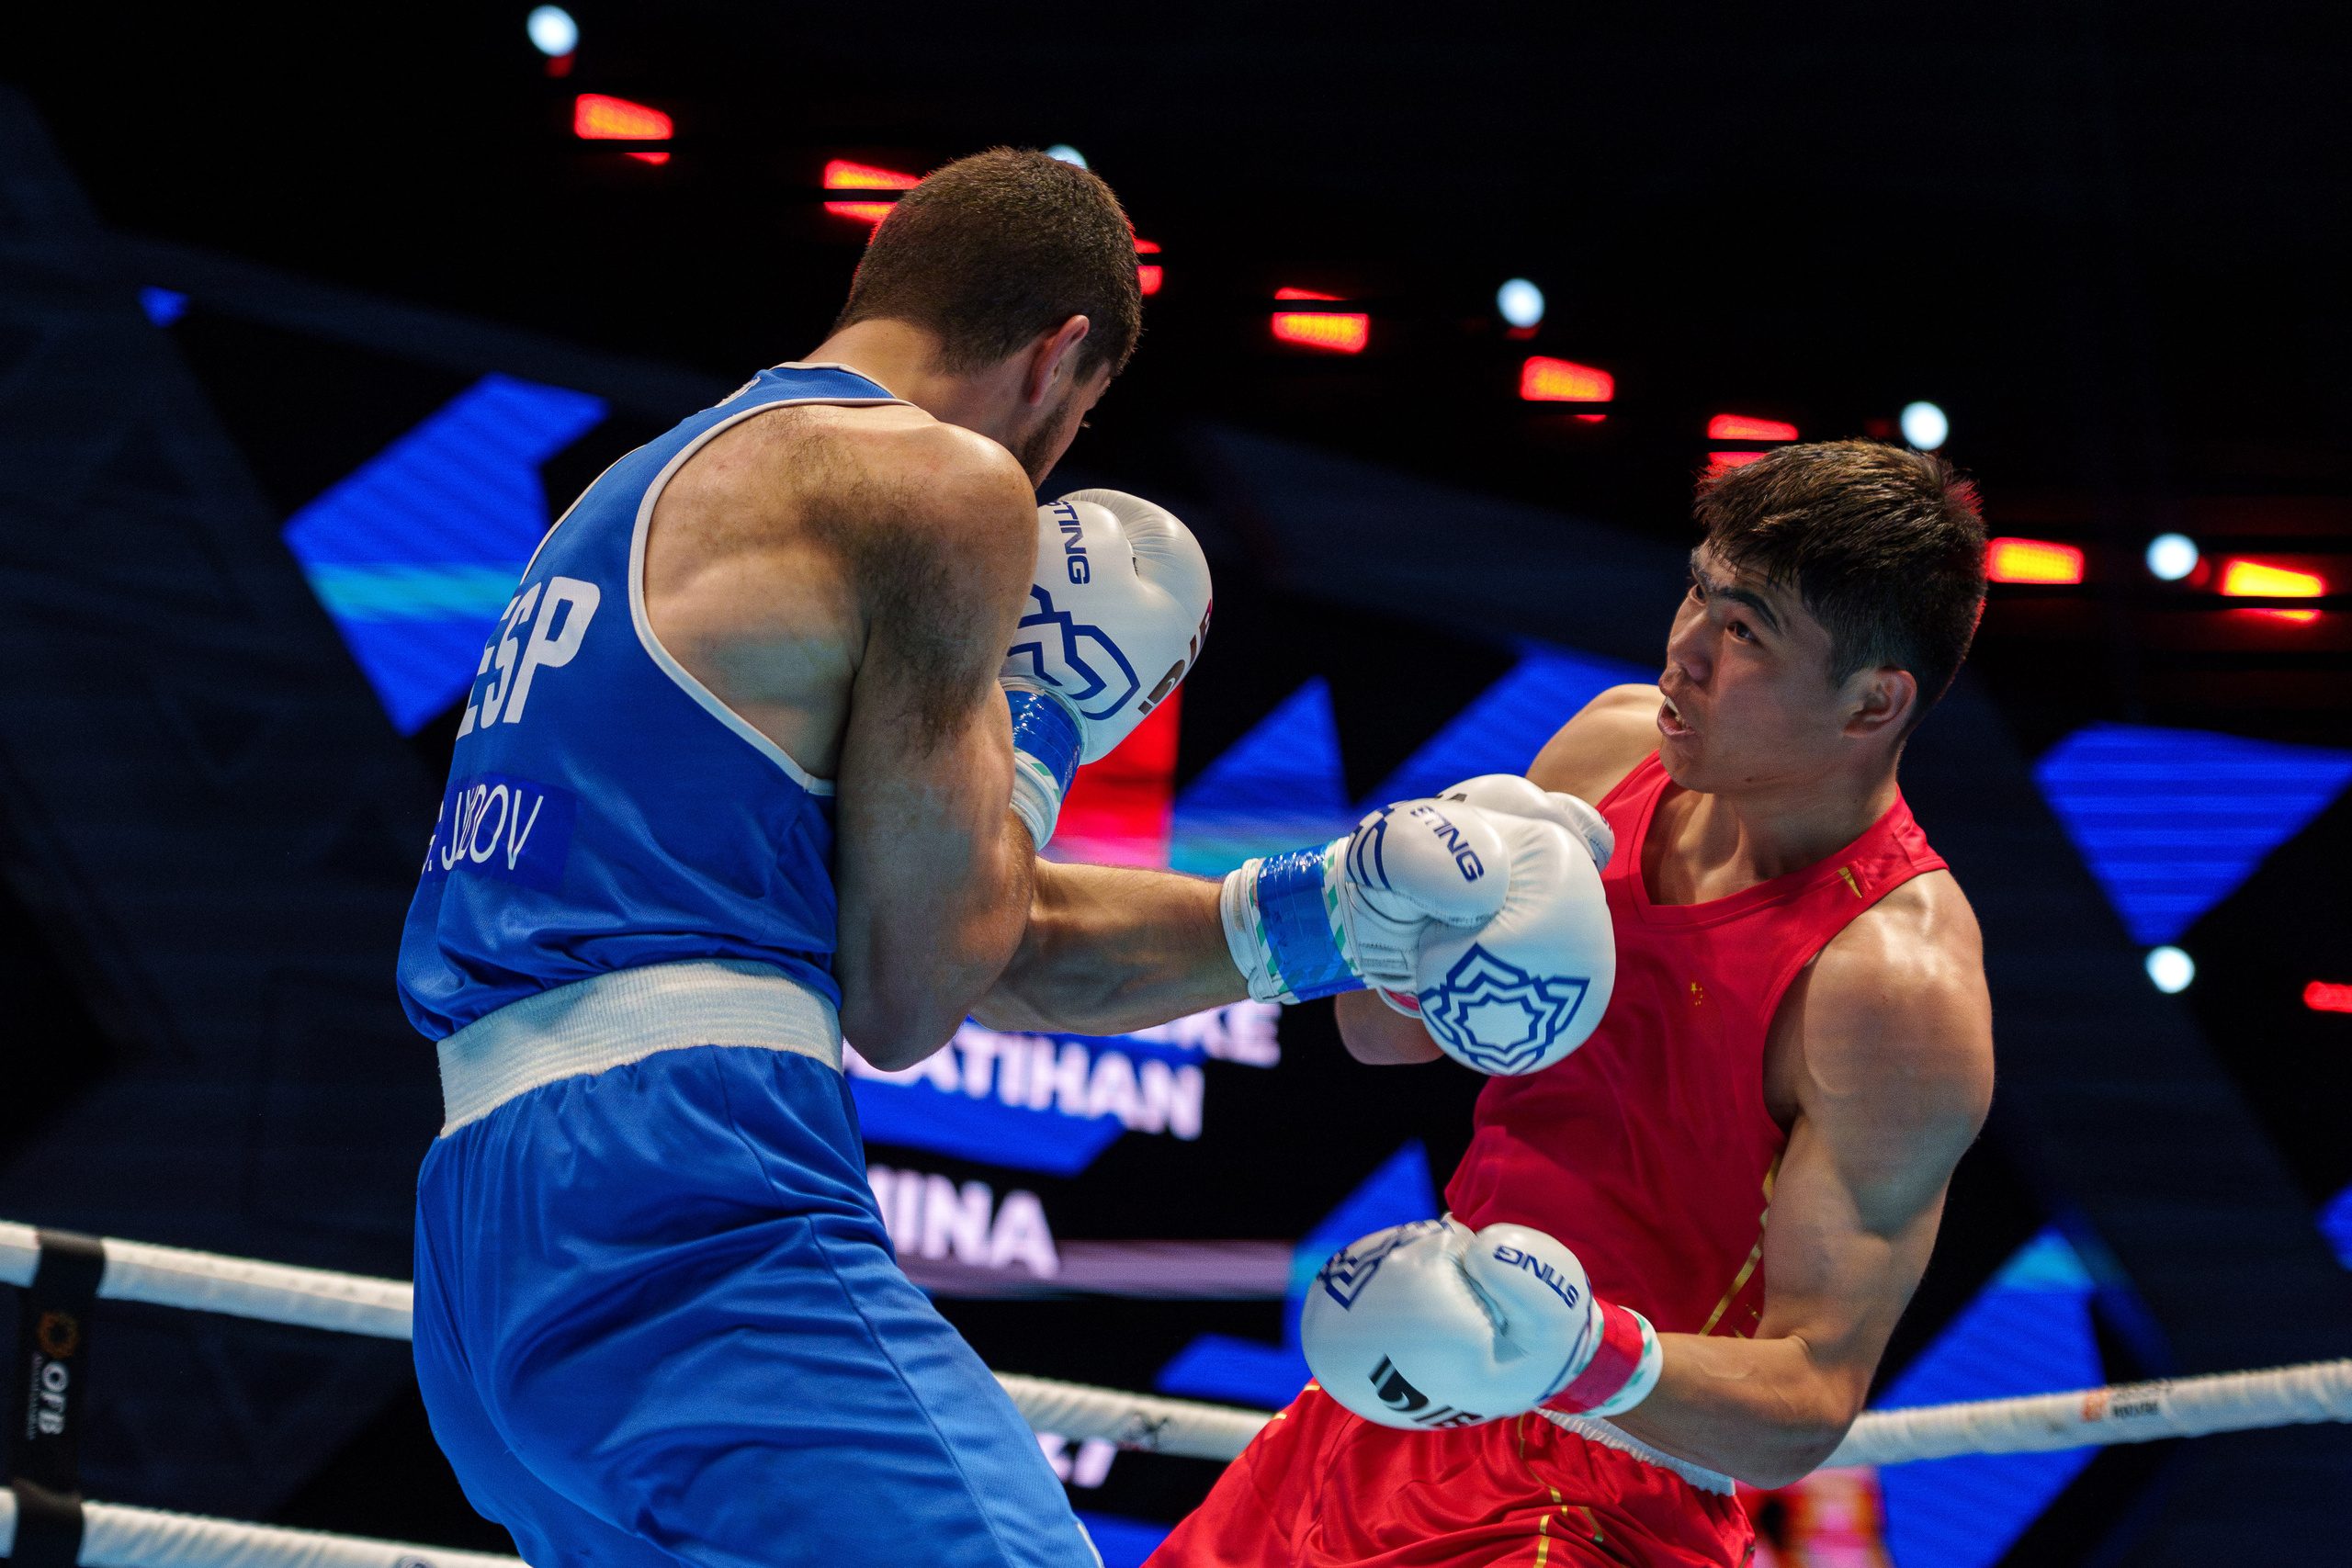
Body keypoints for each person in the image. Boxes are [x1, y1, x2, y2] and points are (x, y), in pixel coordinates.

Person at [398, 145, 1613, 1568]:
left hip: (488, 1240)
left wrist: (1339, 910)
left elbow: (988, 934)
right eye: (1080, 421)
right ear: (1061, 360)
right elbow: (916, 999)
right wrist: (1042, 716)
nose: (1053, 471)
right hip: (686, 1195)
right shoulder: (945, 483)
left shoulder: (643, 490)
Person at [1145, 441, 1998, 1567]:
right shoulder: (1613, 749)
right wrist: (1400, 923)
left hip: (1605, 1490)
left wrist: (1578, 1355)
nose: (1686, 651)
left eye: (1746, 630)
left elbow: (1808, 1398)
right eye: (1700, 588)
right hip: (1399, 1396)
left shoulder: (1892, 982)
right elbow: (1380, 1036)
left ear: (1872, 703)